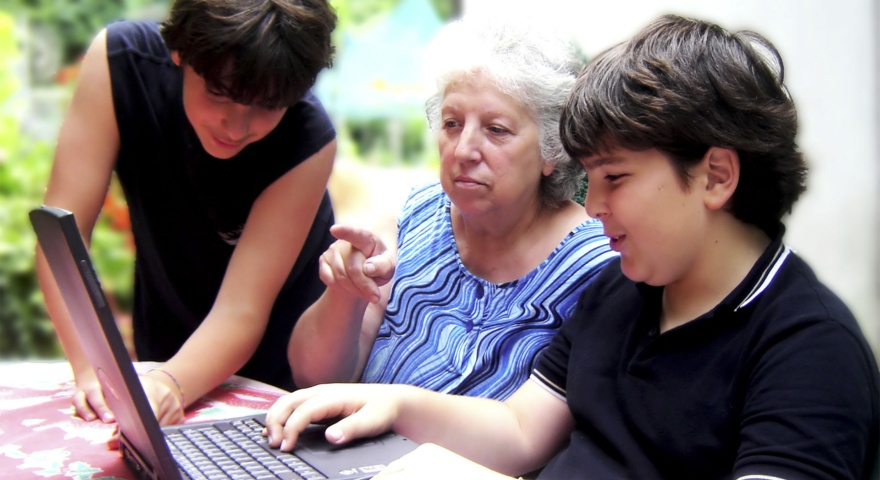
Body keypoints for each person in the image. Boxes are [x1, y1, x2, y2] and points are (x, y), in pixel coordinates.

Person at [264, 14, 880, 480]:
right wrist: (392, 402)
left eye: (614, 179)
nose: (590, 208)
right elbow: (519, 428)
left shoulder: (809, 347)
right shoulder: (624, 291)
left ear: (716, 176)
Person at [35, 0, 337, 427]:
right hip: (162, 339)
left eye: (267, 106)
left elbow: (242, 310)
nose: (236, 126)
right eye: (219, 92)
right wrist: (94, 371)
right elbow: (61, 236)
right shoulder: (123, 63)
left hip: (273, 378)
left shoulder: (308, 139)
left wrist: (171, 383)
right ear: (181, 53)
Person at [287, 17, 615, 400]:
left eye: (496, 130)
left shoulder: (595, 264)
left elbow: (536, 435)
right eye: (452, 123)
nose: (463, 150)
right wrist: (347, 292)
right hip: (355, 453)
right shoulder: (412, 216)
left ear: (551, 150)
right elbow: (312, 378)